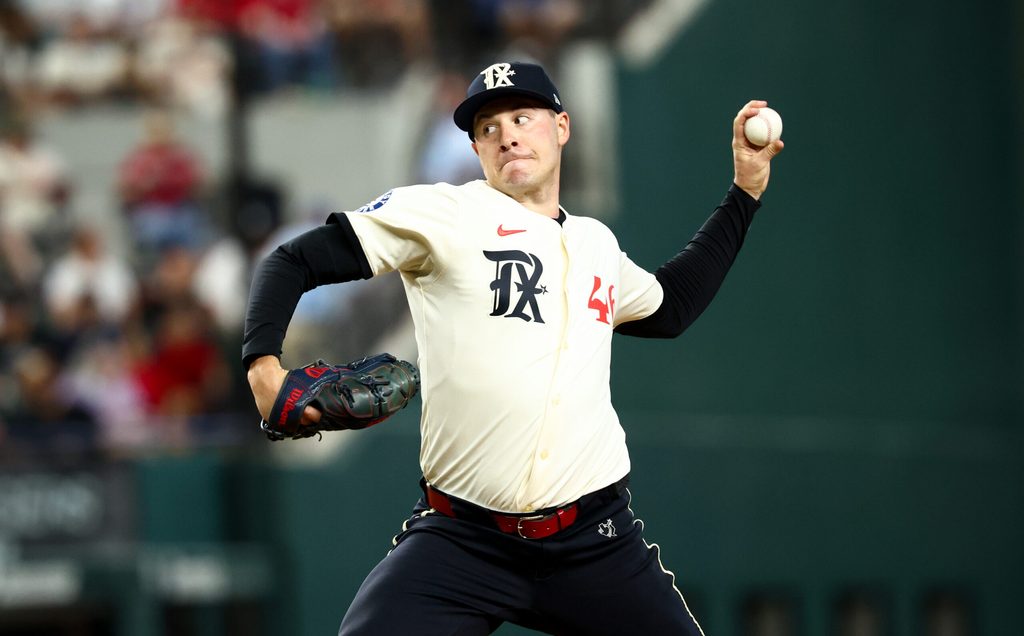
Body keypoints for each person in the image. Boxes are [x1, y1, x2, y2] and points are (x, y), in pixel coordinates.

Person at [243, 61, 783, 635]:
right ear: (476, 147)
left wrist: (744, 192)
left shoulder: (595, 243)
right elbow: (291, 260)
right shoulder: (446, 213)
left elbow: (671, 306)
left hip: (594, 544)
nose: (508, 135)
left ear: (562, 127)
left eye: (523, 117)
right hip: (462, 541)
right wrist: (263, 368)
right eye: (489, 127)